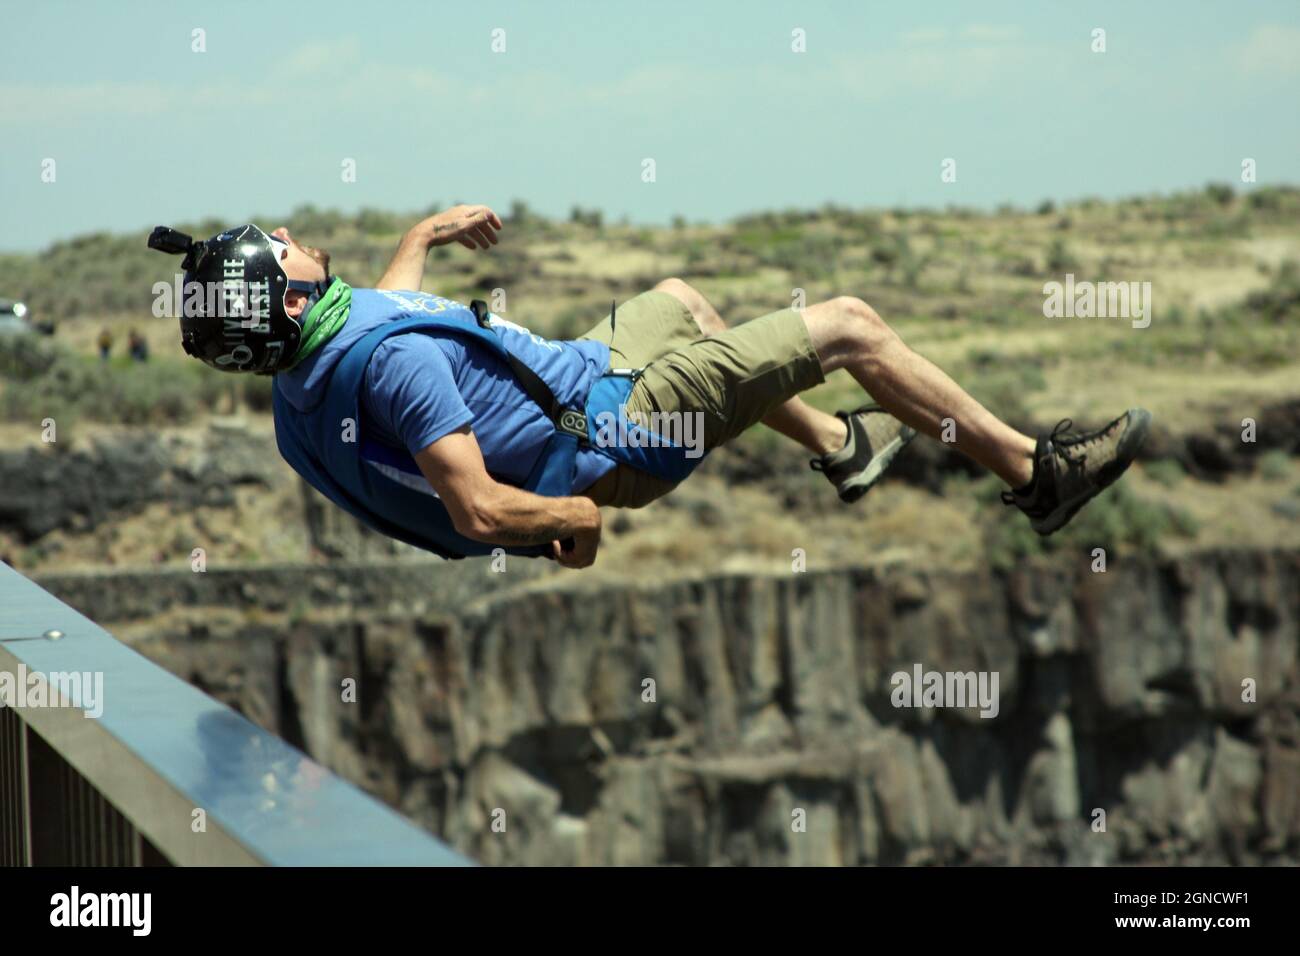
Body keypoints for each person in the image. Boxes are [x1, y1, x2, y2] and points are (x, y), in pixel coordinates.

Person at [147, 206, 1150, 569]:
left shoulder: (300, 386)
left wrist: (420, 238)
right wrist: (569, 514)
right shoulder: (394, 366)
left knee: (681, 296)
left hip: (581, 380)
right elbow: (475, 502)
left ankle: (838, 450)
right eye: (276, 249)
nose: (289, 235)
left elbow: (389, 315)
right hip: (618, 430)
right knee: (847, 325)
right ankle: (1036, 474)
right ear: (282, 299)